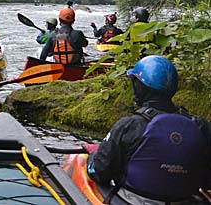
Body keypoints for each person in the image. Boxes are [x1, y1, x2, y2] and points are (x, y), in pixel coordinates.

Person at [86, 56, 211, 204]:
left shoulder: (129, 126)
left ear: (140, 87)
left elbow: (100, 172)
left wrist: (92, 156)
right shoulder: (201, 126)